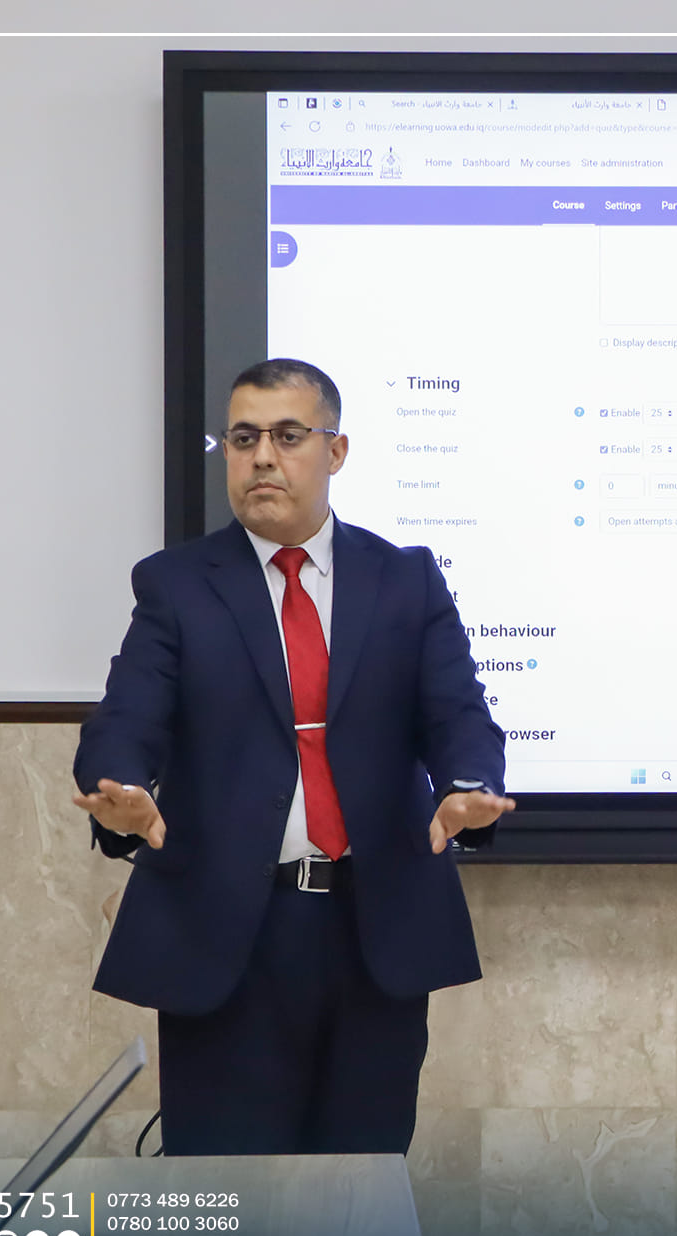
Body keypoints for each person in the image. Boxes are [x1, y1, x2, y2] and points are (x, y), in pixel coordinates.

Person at [72, 358, 514, 1156]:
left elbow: (457, 713)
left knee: (358, 1192)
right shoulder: (178, 585)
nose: (262, 458)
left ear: (335, 451)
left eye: (287, 436)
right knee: (228, 1193)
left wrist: (468, 786)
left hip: (373, 930)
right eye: (243, 439)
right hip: (229, 934)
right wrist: (120, 788)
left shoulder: (405, 580)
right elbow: (127, 715)